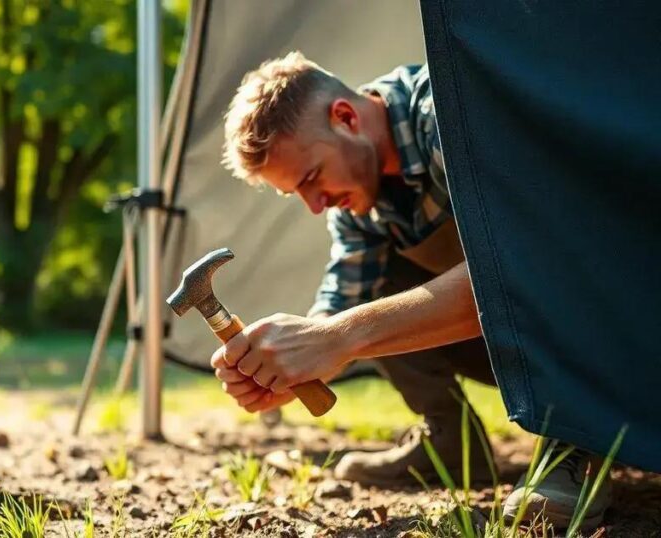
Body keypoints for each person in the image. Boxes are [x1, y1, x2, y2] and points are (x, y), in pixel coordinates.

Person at [216, 51, 609, 528]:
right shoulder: (358, 201)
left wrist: (339, 337)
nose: (315, 206)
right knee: (373, 290)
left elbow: (525, 268)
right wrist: (291, 366)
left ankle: (576, 434)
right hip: (522, 337)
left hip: (609, 319)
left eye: (312, 178)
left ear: (345, 117)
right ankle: (452, 440)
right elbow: (339, 304)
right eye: (295, 194)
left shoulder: (449, 111)